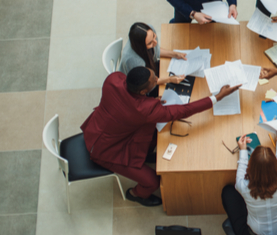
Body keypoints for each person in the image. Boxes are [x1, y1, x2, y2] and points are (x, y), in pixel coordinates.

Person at [81, 67, 241, 206]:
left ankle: (144, 156)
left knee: (151, 132)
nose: (157, 79)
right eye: (154, 79)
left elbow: (129, 102)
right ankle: (136, 194)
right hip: (104, 151)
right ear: (143, 92)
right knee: (152, 181)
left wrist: (145, 101)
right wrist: (217, 97)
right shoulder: (144, 109)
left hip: (97, 129)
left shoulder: (113, 79)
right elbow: (183, 111)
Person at [222, 133, 277, 235]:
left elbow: (241, 172)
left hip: (255, 232)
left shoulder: (244, 187)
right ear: (276, 165)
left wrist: (243, 150)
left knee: (228, 192)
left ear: (251, 167)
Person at [119, 22, 186, 97]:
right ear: (141, 46)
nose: (155, 42)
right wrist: (169, 79)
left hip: (150, 69)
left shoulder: (149, 30)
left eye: (154, 36)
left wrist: (175, 54)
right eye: (150, 43)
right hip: (141, 84)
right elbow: (146, 84)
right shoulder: (133, 60)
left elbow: (155, 52)